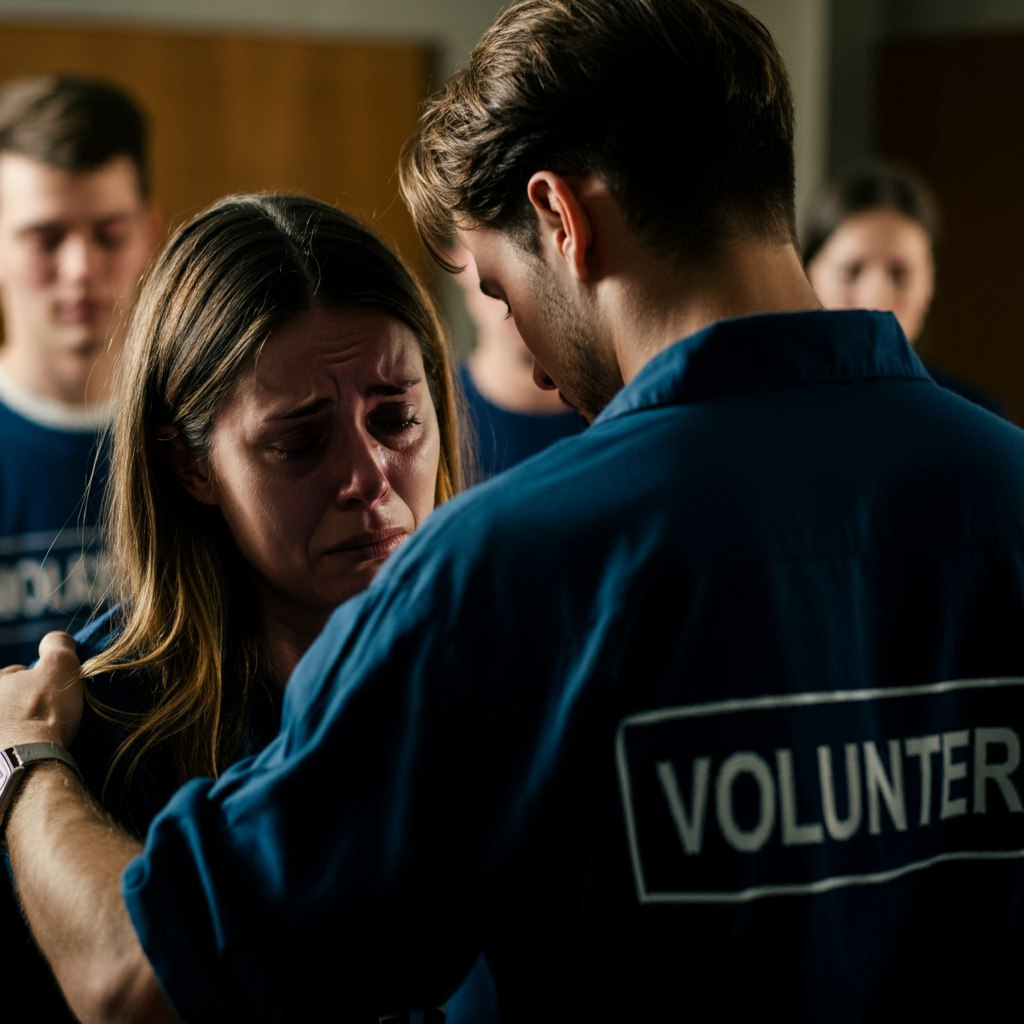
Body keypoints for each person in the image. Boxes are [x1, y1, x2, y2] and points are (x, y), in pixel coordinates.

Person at [3, 1, 1024, 1020]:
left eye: (499, 290)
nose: (530, 360)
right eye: (298, 439)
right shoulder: (1004, 483)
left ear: (563, 219)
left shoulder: (517, 566)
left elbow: (142, 976)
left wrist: (24, 760)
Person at [6, 191, 463, 1019]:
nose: (370, 478)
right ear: (190, 467)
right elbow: (125, 985)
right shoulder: (100, 731)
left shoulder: (506, 658)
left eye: (397, 418)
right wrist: (22, 761)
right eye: (299, 443)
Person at [0, 75, 159, 666]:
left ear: (148, 231)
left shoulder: (204, 430)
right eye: (46, 239)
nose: (80, 268)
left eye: (109, 235)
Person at [802, 160, 1005, 414]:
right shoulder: (771, 408)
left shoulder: (977, 421)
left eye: (900, 275)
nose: (875, 302)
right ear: (808, 273)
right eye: (851, 272)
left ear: (930, 283)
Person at [451, 243, 584, 479]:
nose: (515, 282)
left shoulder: (622, 410)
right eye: (497, 248)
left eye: (531, 246)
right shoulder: (432, 415)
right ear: (457, 263)